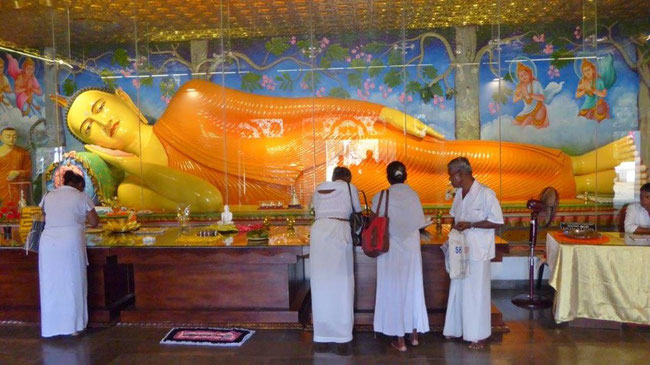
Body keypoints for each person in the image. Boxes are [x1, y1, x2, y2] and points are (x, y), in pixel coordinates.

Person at [56, 80, 636, 211]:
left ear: (126, 100)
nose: (100, 126)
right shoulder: (138, 188)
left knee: (454, 157)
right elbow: (206, 204)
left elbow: (295, 110)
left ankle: (579, 163)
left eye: (100, 109)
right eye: (85, 130)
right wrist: (125, 164)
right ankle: (583, 183)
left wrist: (379, 112)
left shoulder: (189, 102)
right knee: (446, 189)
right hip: (333, 186)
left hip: (340, 139)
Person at [443, 157, 504, 350]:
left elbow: (497, 221)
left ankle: (479, 336)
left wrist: (471, 224)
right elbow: (455, 219)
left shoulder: (486, 194)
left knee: (477, 294)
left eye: (451, 176)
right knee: (459, 290)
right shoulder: (459, 195)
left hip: (479, 252)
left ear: (461, 174)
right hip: (461, 251)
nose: (450, 180)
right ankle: (457, 329)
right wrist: (452, 236)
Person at [373, 161, 429, 352]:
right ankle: (414, 336)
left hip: (390, 250)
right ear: (406, 176)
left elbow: (374, 222)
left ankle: (400, 340)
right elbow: (419, 224)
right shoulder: (413, 195)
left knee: (393, 290)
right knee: (412, 288)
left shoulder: (381, 196)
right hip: (411, 250)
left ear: (388, 177)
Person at [39, 170, 99, 337]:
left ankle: (51, 328)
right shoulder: (81, 196)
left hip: (48, 243)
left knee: (51, 285)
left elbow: (44, 217)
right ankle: (74, 327)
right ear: (79, 184)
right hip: (70, 243)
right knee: (73, 283)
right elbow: (94, 222)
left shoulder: (49, 196)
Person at [309, 166, 361, 352]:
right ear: (347, 178)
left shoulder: (318, 187)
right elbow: (358, 210)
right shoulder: (349, 188)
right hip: (339, 232)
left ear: (333, 177)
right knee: (342, 285)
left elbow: (313, 210)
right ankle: (342, 335)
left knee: (320, 284)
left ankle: (322, 333)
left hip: (318, 233)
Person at [576, 57, 614, 122]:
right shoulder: (583, 82)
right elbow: (577, 95)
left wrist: (594, 90)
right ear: (583, 73)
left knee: (599, 118)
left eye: (589, 70)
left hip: (599, 104)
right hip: (587, 105)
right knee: (583, 120)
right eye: (585, 71)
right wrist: (585, 91)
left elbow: (604, 94)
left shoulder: (599, 81)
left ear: (593, 70)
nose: (587, 72)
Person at [0, 127, 31, 204]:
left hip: (18, 188)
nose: (11, 139)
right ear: (1, 138)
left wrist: (18, 173)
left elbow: (29, 172)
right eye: (8, 136)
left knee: (18, 209)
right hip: (2, 187)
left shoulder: (22, 152)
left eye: (14, 137)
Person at [513, 62, 549, 128]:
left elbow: (542, 98)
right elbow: (514, 100)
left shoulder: (536, 84)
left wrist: (531, 95)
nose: (524, 77)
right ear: (519, 78)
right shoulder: (520, 87)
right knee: (514, 124)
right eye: (521, 76)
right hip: (526, 110)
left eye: (525, 74)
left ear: (529, 73)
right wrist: (522, 96)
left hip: (537, 108)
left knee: (524, 125)